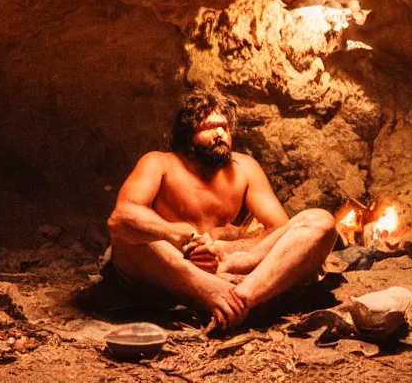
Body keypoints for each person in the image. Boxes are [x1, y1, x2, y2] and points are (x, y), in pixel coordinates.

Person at [106, 90, 336, 332]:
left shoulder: (245, 168)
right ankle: (210, 292)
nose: (221, 134)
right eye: (210, 127)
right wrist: (179, 236)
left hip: (229, 266)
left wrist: (230, 254)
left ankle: (242, 299)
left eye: (225, 127)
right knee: (125, 237)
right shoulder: (159, 163)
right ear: (189, 133)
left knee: (320, 221)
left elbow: (278, 230)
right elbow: (121, 217)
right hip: (174, 265)